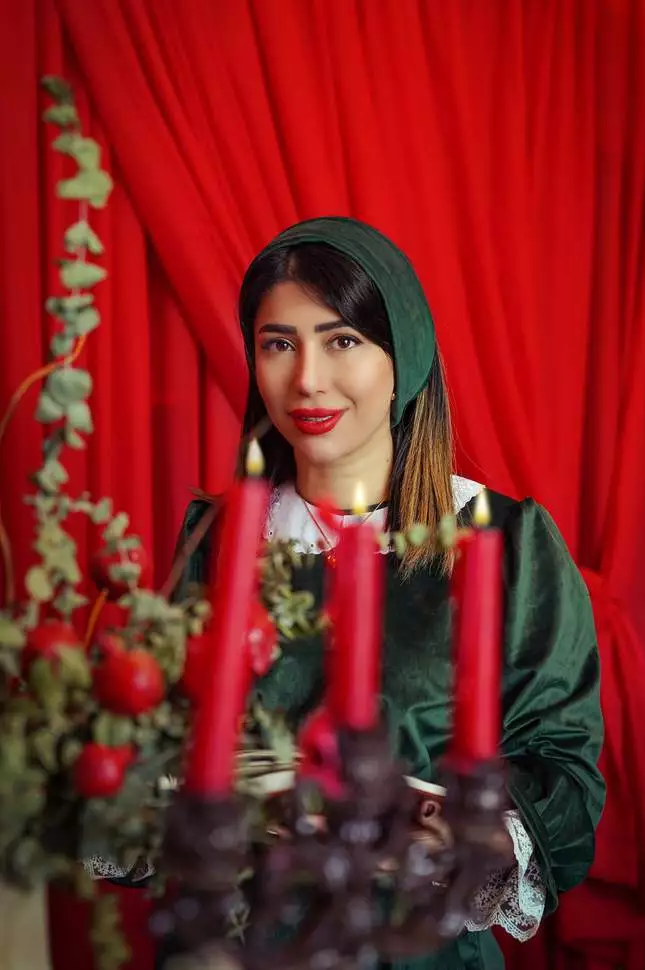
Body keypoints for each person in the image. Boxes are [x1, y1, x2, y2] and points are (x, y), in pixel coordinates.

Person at [166, 217, 605, 970]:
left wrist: (470, 836)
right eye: (278, 344)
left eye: (341, 340)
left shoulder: (506, 543)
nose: (307, 379)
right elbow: (158, 746)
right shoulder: (219, 542)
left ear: (405, 355)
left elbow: (563, 775)